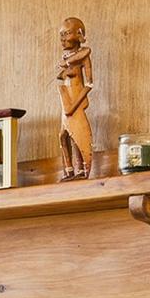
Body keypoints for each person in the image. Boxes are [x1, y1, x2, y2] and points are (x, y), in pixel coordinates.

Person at [57, 17, 95, 180]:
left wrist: (74, 105)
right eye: (61, 35)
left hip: (75, 102)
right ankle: (69, 170)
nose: (62, 39)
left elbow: (89, 84)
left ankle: (81, 170)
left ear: (78, 34)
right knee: (63, 135)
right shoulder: (67, 59)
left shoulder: (83, 57)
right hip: (66, 101)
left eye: (66, 34)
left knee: (76, 135)